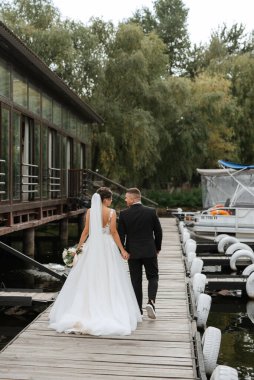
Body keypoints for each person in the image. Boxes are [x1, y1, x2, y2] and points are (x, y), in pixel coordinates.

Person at [49, 187, 142, 336]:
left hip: (92, 247)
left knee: (88, 276)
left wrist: (78, 250)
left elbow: (86, 232)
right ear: (106, 200)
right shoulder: (111, 212)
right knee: (110, 276)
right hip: (107, 247)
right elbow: (113, 232)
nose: (111, 201)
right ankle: (108, 307)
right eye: (110, 199)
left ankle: (85, 309)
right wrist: (122, 250)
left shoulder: (90, 212)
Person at [118, 188, 162, 319]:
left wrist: (123, 250)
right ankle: (151, 302)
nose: (125, 200)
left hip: (133, 253)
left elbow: (121, 235)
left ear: (133, 199)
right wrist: (157, 247)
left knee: (136, 281)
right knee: (153, 277)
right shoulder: (151, 212)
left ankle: (138, 311)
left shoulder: (124, 214)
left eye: (126, 198)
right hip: (149, 251)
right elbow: (158, 232)